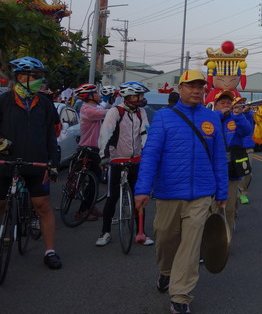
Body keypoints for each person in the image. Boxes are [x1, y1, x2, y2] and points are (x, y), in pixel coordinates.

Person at [134, 70, 228, 314]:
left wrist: (222, 192)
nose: (196, 90)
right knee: (165, 238)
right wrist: (142, 188)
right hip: (168, 193)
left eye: (200, 86)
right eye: (190, 86)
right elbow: (151, 155)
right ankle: (166, 272)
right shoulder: (164, 117)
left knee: (191, 245)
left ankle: (180, 295)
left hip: (202, 194)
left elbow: (219, 158)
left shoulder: (212, 119)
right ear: (180, 89)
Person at [0, 56, 62, 269]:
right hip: (5, 162)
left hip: (37, 163)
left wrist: (53, 163)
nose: (39, 80)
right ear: (20, 77)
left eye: (40, 76)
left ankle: (50, 251)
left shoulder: (45, 103)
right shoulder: (3, 101)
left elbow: (51, 135)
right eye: (35, 76)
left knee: (42, 206)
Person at [96, 81, 153, 247]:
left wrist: (147, 151)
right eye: (139, 95)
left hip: (136, 159)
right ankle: (105, 232)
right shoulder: (115, 112)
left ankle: (141, 232)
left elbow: (145, 132)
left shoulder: (141, 112)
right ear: (128, 97)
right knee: (112, 197)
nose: (142, 99)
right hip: (117, 159)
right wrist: (103, 156)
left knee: (138, 197)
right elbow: (105, 134)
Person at [214, 92, 252, 229]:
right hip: (212, 169)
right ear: (216, 105)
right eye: (222, 103)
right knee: (211, 207)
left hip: (231, 167)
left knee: (228, 206)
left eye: (228, 103)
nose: (226, 106)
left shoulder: (235, 118)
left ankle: (227, 236)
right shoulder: (210, 118)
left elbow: (247, 131)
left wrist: (238, 116)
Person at [75, 83, 107, 220]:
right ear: (90, 96)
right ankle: (82, 211)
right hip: (89, 149)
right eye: (96, 93)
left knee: (95, 180)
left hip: (94, 148)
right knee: (92, 181)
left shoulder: (93, 107)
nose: (99, 95)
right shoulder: (88, 110)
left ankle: (90, 206)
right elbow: (108, 113)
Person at [235, 99, 256, 203]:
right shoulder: (228, 114)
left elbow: (249, 121)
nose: (239, 107)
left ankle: (243, 192)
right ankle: (235, 193)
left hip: (247, 147)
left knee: (248, 173)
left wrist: (245, 112)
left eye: (241, 104)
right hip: (234, 148)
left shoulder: (248, 114)